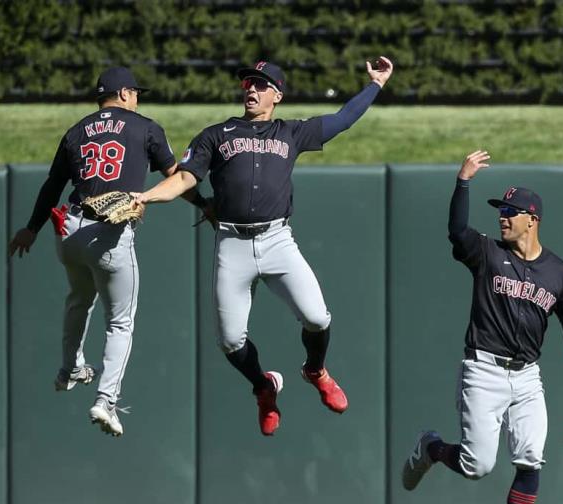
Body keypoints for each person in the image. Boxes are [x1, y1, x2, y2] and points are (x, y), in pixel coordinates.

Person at [133, 57, 394, 436]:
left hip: (276, 240)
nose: (251, 89)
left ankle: (315, 370)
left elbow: (342, 119)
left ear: (277, 95)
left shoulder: (291, 132)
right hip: (232, 243)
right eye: (247, 84)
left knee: (318, 318)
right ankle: (263, 386)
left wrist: (376, 85)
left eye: (260, 84)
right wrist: (147, 196)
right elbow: (186, 178)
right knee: (229, 340)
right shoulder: (216, 134)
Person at [401, 150, 563, 503]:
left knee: (530, 460)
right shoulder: (487, 253)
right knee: (476, 465)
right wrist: (462, 182)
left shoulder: (561, 274)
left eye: (510, 212)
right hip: (483, 370)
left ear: (533, 219)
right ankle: (431, 448)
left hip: (527, 377)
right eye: (500, 210)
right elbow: (456, 230)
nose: (502, 216)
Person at [7, 67, 197, 437]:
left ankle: (70, 368)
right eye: (136, 92)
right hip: (109, 233)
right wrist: (204, 204)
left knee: (79, 297)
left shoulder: (76, 130)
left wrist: (31, 228)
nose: (138, 98)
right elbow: (177, 176)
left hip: (70, 229)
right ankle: (105, 400)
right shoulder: (145, 127)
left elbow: (53, 185)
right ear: (124, 93)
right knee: (120, 322)